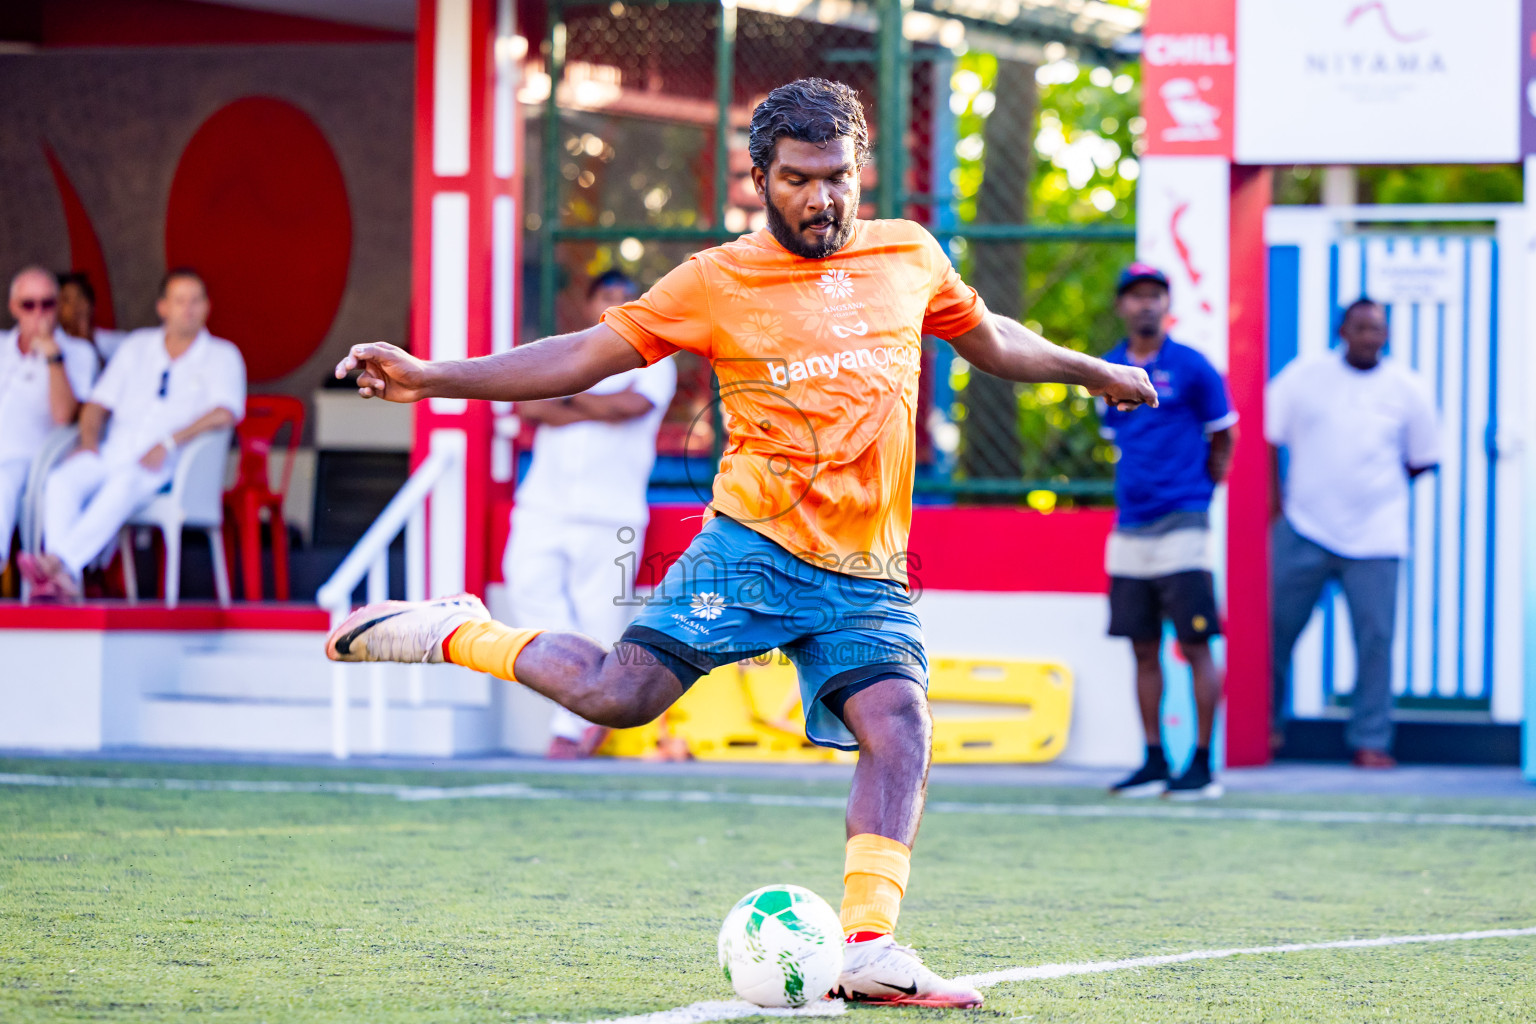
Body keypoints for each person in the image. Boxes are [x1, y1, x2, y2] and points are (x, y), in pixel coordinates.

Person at [326, 78, 1155, 1007]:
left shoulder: (909, 254)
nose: (822, 198)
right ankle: (458, 630)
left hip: (866, 571)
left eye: (838, 176)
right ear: (761, 179)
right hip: (752, 548)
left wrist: (1094, 371)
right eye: (799, 179)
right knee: (618, 697)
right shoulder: (715, 280)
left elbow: (990, 338)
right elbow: (582, 355)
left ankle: (869, 946)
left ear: (860, 170)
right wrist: (433, 376)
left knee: (901, 726)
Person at [508, 269, 677, 758]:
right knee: (527, 591)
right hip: (543, 505)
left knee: (599, 616)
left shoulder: (655, 357)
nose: (615, 303)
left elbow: (630, 407)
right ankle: (578, 709)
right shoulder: (565, 350)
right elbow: (531, 409)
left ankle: (573, 728)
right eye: (606, 295)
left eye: (626, 297)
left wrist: (568, 394)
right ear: (587, 303)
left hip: (612, 512)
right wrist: (592, 404)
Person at [1267, 297, 1439, 770]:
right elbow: (1268, 436)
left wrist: (1372, 492)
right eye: (1359, 327)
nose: (1368, 336)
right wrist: (1275, 505)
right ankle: (1265, 727)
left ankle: (1370, 739)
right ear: (1341, 331)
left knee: (1376, 640)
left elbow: (1422, 459)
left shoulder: (1408, 389)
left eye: (1376, 328)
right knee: (1273, 630)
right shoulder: (1303, 378)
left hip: (1377, 536)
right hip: (1303, 526)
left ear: (1386, 335)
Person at [22, 269, 246, 601]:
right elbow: (97, 403)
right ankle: (63, 577)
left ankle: (58, 566)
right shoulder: (137, 346)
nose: (188, 309)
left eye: (195, 301)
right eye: (180, 301)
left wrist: (169, 442)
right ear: (162, 307)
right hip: (113, 451)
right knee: (62, 480)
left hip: (169, 468)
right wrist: (88, 443)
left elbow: (226, 411)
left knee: (124, 483)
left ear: (207, 307)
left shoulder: (222, 355)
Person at [1100, 263, 1236, 801]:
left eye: (1155, 295)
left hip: (1183, 521)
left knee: (1196, 643)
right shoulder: (1107, 368)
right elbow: (1115, 434)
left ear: (1167, 304)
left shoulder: (1193, 366)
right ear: (1122, 306)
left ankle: (1200, 766)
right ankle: (1154, 762)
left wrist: (1202, 490)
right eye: (1136, 296)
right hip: (1130, 526)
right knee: (1141, 647)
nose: (1146, 304)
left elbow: (1224, 435)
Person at [0, 267, 98, 571]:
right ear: (14, 307)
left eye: (48, 303)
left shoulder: (78, 352)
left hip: (31, 457)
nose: (39, 313)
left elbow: (64, 417)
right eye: (29, 305)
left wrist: (54, 358)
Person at [56, 271, 129, 366]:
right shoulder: (53, 346)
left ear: (92, 304)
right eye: (67, 300)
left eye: (80, 297)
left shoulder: (120, 342)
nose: (76, 306)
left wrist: (88, 340)